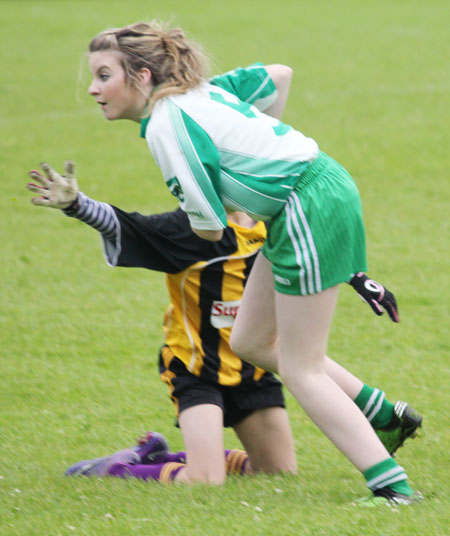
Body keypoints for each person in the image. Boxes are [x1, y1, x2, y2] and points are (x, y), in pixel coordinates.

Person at [27, 21, 423, 504]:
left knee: (302, 368)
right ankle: (383, 414)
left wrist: (241, 196)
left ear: (144, 76)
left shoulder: (166, 126)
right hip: (314, 193)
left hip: (304, 205)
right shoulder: (198, 93)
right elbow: (279, 76)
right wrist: (256, 172)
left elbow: (211, 228)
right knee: (252, 340)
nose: (93, 89)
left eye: (104, 75)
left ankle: (392, 488)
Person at [27, 163, 421, 495]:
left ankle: (169, 458)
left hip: (255, 368)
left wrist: (358, 278)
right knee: (205, 481)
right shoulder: (187, 230)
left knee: (278, 473)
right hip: (198, 370)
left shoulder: (276, 222)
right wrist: (77, 205)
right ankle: (119, 467)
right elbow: (126, 225)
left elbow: (311, 249)